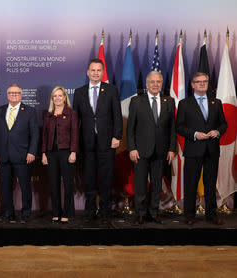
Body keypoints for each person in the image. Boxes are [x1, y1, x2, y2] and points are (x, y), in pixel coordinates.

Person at [73, 58, 122, 223]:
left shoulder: (111, 90)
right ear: (88, 73)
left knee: (106, 177)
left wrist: (117, 136)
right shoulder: (79, 92)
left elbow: (117, 115)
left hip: (107, 142)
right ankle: (90, 209)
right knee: (89, 177)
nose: (95, 73)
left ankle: (105, 209)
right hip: (86, 143)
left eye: (98, 70)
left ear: (102, 73)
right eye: (92, 70)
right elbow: (76, 120)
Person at [176, 72, 227, 225]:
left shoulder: (216, 102)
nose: (202, 84)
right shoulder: (185, 103)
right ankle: (189, 215)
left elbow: (223, 124)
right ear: (192, 84)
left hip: (212, 149)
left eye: (205, 81)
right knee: (191, 183)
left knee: (210, 184)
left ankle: (211, 215)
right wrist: (195, 134)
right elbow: (179, 127)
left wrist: (218, 132)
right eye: (198, 82)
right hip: (193, 149)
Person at [127, 71, 176, 225]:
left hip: (161, 150)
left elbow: (172, 128)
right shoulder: (136, 101)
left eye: (159, 82)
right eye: (152, 82)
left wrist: (171, 149)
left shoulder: (169, 101)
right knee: (140, 183)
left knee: (156, 184)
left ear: (162, 84)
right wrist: (132, 148)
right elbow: (130, 129)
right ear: (147, 84)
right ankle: (140, 213)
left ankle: (153, 213)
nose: (156, 84)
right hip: (140, 151)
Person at [0, 84, 39, 223]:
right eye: (11, 93)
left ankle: (26, 213)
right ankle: (8, 213)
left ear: (21, 95)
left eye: (17, 93)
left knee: (25, 186)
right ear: (7, 95)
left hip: (23, 155)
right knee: (6, 187)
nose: (14, 95)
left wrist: (32, 152)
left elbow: (35, 134)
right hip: (4, 156)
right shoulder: (0, 110)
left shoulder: (29, 111)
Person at [41, 86, 79, 223]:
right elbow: (44, 135)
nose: (57, 98)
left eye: (59, 95)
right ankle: (56, 212)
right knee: (54, 183)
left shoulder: (72, 113)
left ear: (64, 97)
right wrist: (44, 153)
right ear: (52, 99)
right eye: (54, 96)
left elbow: (75, 134)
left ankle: (67, 212)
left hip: (66, 152)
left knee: (68, 184)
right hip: (51, 153)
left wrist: (73, 152)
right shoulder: (48, 114)